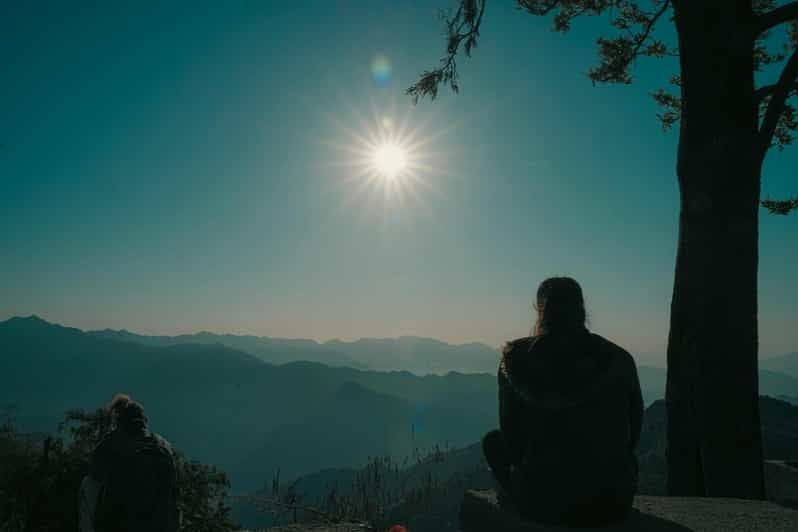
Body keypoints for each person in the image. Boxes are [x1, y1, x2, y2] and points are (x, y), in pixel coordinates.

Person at [482, 277, 644, 527]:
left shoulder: (516, 361)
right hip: (611, 502)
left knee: (492, 442)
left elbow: (512, 441)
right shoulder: (618, 359)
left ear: (540, 310)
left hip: (543, 503)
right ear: (582, 309)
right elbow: (633, 433)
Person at [79, 394, 179, 532]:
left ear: (119, 420)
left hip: (122, 523)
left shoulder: (111, 442)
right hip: (159, 524)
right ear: (144, 421)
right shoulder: (164, 446)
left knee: (87, 484)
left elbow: (93, 484)